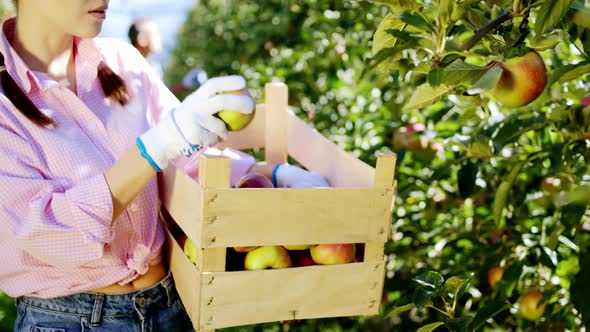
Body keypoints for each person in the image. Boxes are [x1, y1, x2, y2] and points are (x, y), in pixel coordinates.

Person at [0, 1, 329, 331]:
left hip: (169, 306)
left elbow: (187, 157)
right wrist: (153, 148)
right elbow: (46, 230)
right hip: (67, 321)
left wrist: (271, 174)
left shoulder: (120, 62)